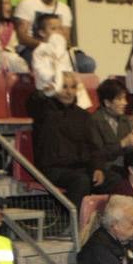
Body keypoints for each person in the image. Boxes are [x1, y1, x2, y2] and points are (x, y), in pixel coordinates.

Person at [27, 71, 105, 207]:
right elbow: (33, 102)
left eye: (73, 87)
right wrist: (45, 93)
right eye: (64, 87)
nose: (69, 92)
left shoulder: (83, 116)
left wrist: (97, 168)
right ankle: (73, 219)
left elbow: (93, 146)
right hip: (52, 169)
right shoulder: (44, 111)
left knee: (113, 179)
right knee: (81, 181)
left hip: (79, 168)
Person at [14, 0, 94, 72]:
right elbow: (22, 37)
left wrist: (56, 49)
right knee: (44, 64)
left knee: (87, 63)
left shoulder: (64, 9)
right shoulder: (27, 4)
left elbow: (66, 38)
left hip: (58, 50)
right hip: (32, 49)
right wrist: (45, 47)